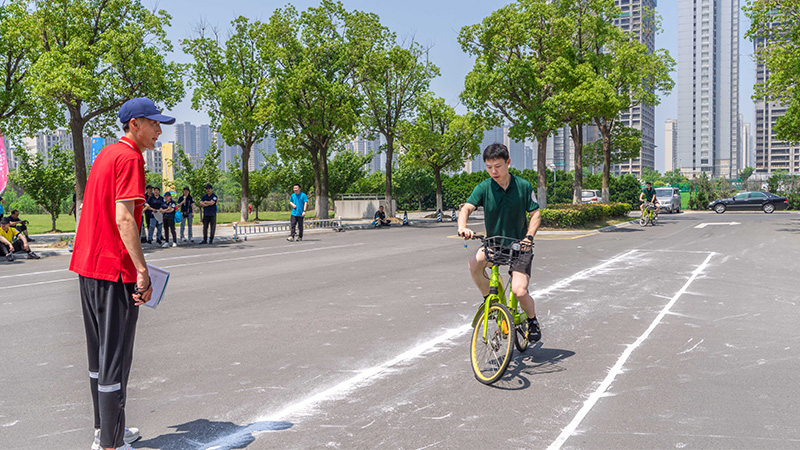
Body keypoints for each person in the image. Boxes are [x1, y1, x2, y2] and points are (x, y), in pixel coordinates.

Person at [69, 97, 170, 450]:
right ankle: (110, 444)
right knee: (115, 359)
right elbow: (124, 218)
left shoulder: (106, 155)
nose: (159, 130)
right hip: (114, 271)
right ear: (134, 125)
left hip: (89, 266)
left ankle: (105, 429)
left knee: (99, 356)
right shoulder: (130, 158)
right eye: (154, 123)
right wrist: (142, 269)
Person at [457, 143, 542, 343]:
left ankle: (532, 320)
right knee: (473, 263)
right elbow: (467, 208)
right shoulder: (484, 187)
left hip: (520, 246)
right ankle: (490, 298)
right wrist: (463, 226)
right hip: (494, 244)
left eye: (498, 166)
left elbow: (535, 213)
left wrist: (529, 237)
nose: (493, 171)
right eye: (489, 167)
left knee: (519, 291)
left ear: (508, 163)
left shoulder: (523, 186)